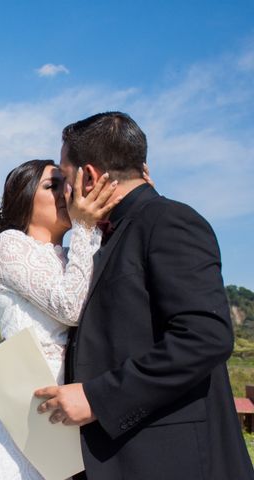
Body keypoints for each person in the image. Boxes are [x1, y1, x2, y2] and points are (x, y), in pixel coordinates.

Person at [35, 112, 254, 479]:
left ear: (88, 176)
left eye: (66, 177)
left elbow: (205, 337)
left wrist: (97, 397)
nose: (65, 193)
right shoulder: (104, 236)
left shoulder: (168, 221)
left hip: (168, 461)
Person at [0, 159, 121, 480]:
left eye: (67, 184)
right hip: (17, 423)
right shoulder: (11, 245)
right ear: (23, 200)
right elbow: (70, 307)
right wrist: (85, 228)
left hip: (62, 424)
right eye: (53, 186)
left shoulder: (77, 252)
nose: (67, 194)